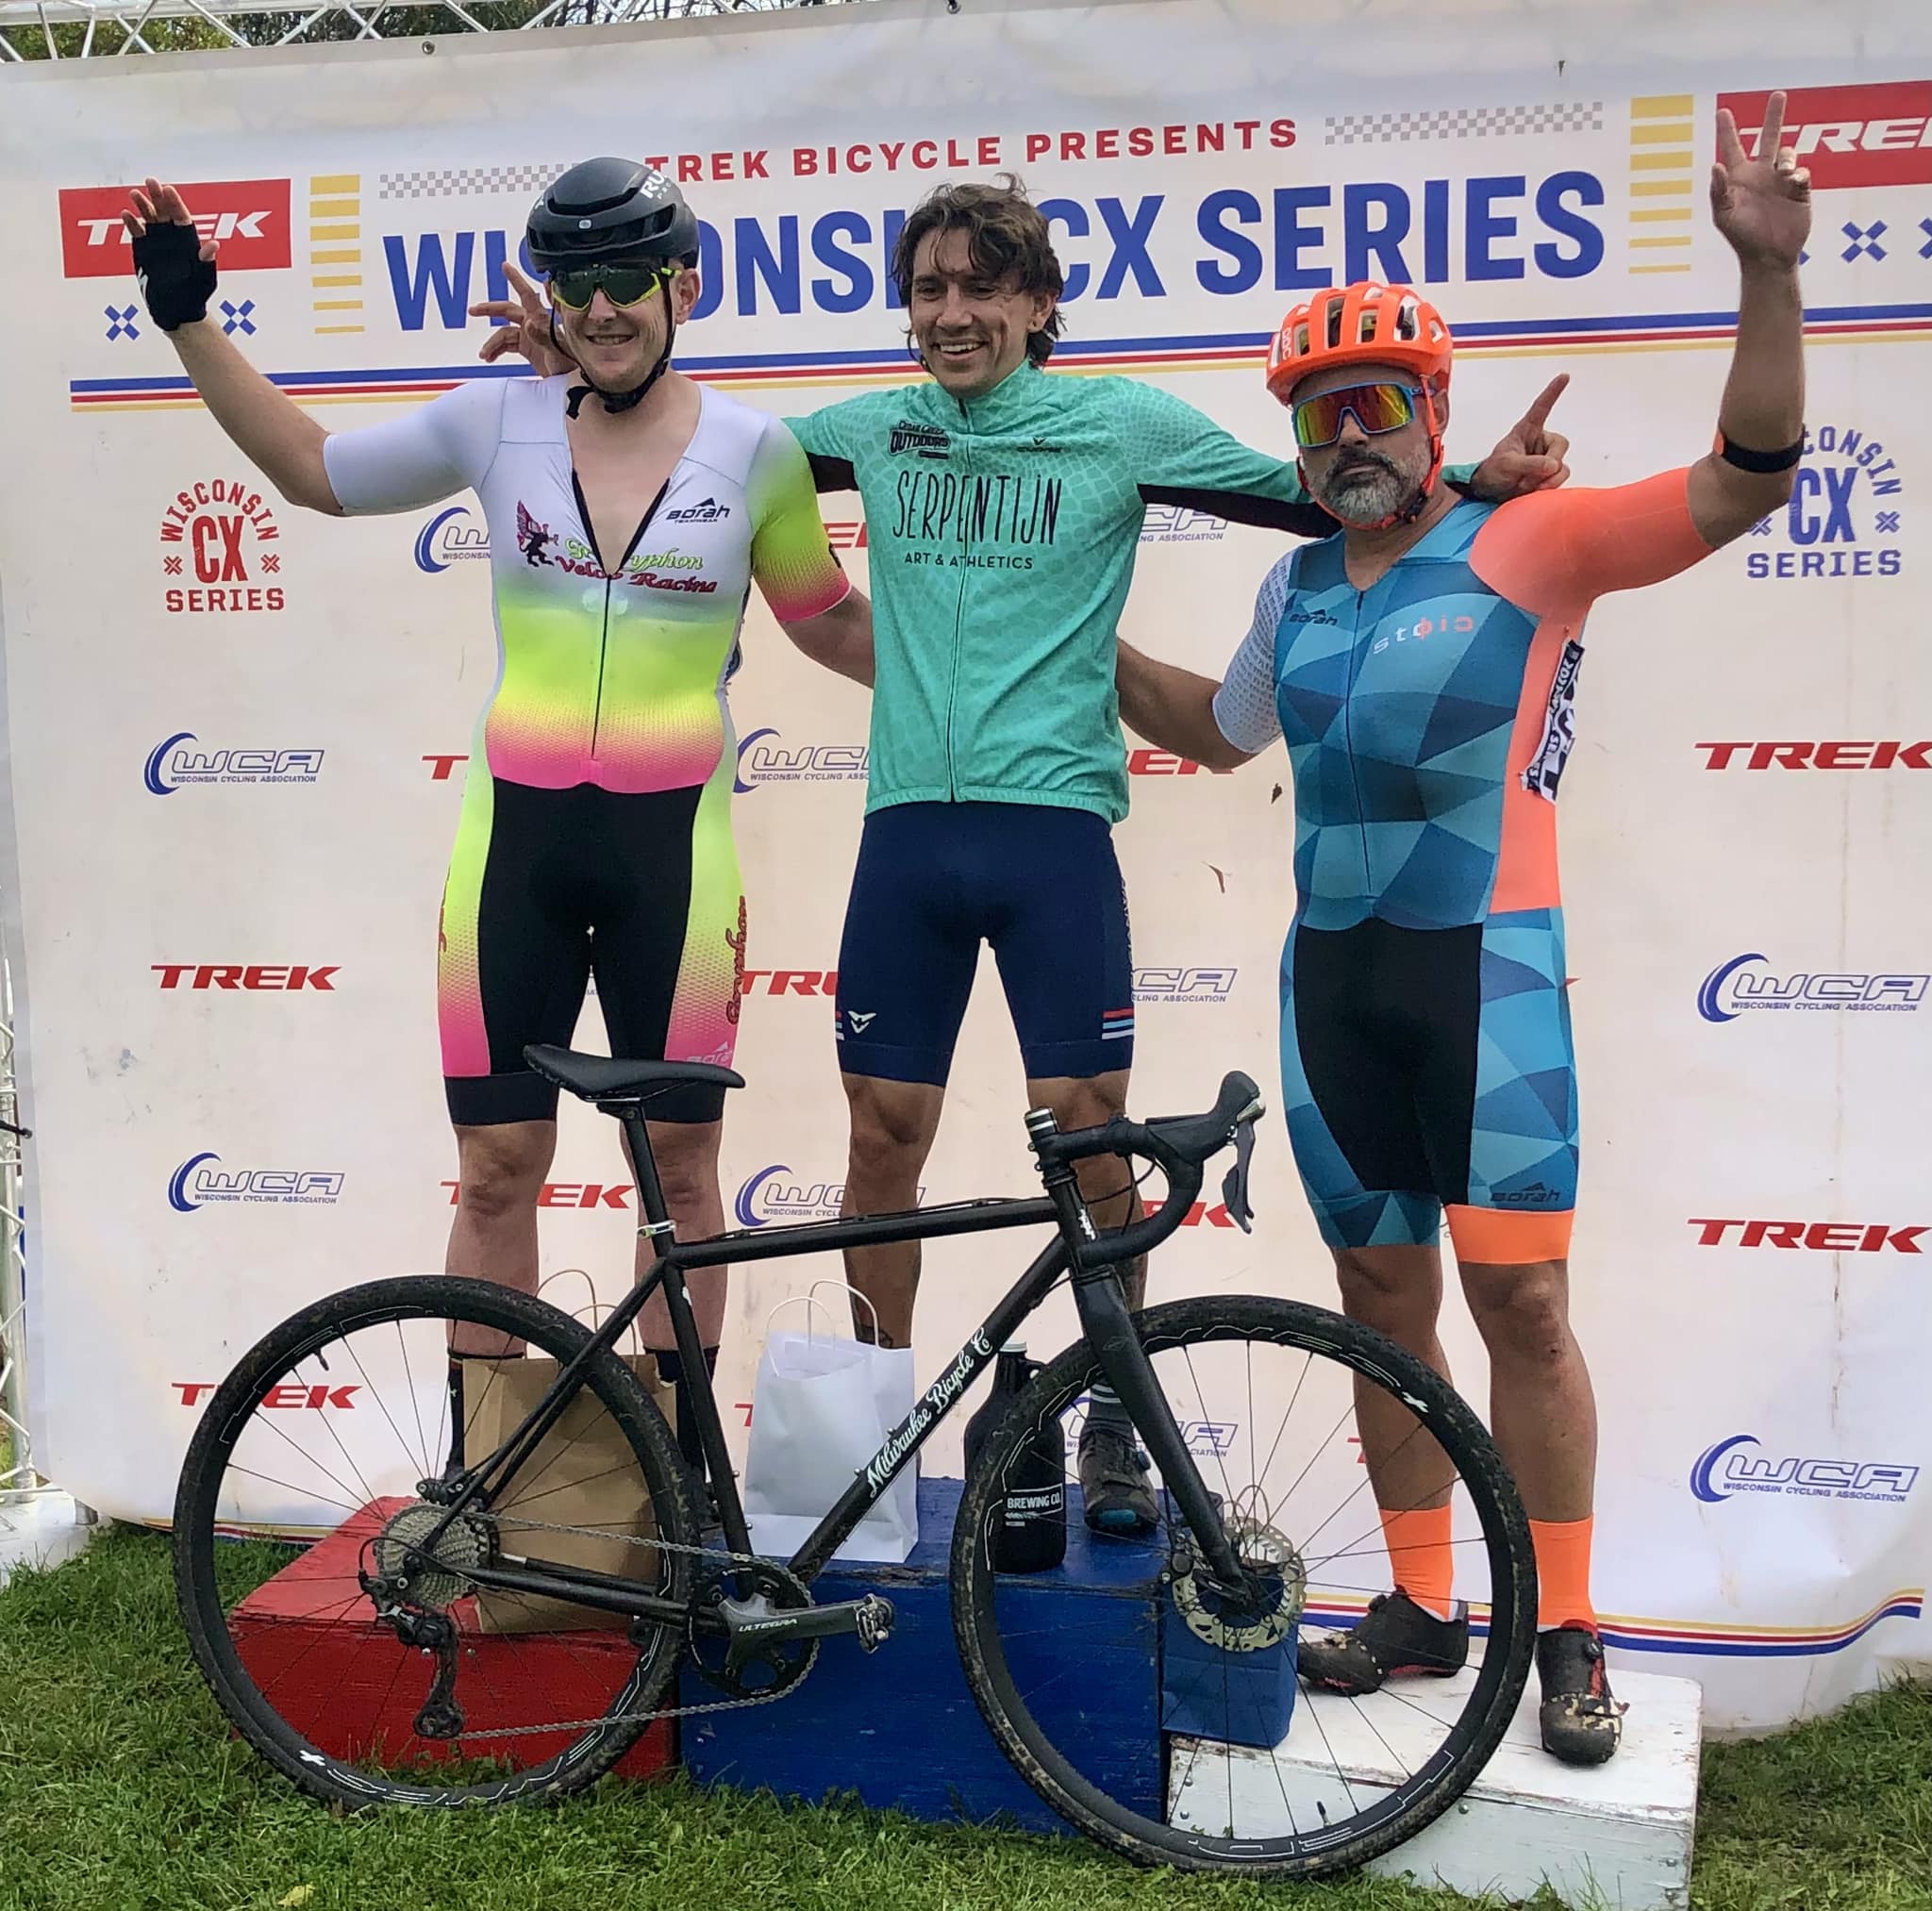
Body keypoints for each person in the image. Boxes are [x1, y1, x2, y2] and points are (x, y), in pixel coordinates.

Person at [478, 175, 1569, 1535]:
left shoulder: (1120, 423)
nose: (954, 314)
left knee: (1090, 1133)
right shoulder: (869, 429)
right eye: (930, 290)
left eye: (984, 288)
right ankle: (872, 1441)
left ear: (1040, 305)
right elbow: (699, 452)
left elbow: (1311, 493)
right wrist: (575, 382)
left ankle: (1118, 1418)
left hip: (1053, 835)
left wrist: (1467, 484)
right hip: (906, 839)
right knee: (883, 1138)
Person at [1114, 97, 1809, 1756]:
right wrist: (1074, 640)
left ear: (1436, 411)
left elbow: (1745, 480)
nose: (1348, 438)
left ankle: (1565, 1627)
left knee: (1527, 1314)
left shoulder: (1531, 539)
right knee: (1380, 1302)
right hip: (1333, 993)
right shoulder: (1294, 587)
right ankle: (1423, 1605)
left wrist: (1768, 273)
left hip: (1486, 981)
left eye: (1380, 405)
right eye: (1320, 416)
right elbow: (1217, 731)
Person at [124, 160, 873, 1468]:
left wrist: (1003, 671)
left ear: (684, 287)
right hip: (513, 849)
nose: (602, 306)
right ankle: (489, 1488)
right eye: (576, 284)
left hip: (675, 857)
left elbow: (832, 625)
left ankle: (679, 1494)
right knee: (496, 1165)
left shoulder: (759, 455)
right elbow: (311, 470)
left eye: (626, 279)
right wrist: (189, 318)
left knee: (683, 1172)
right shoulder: (497, 420)